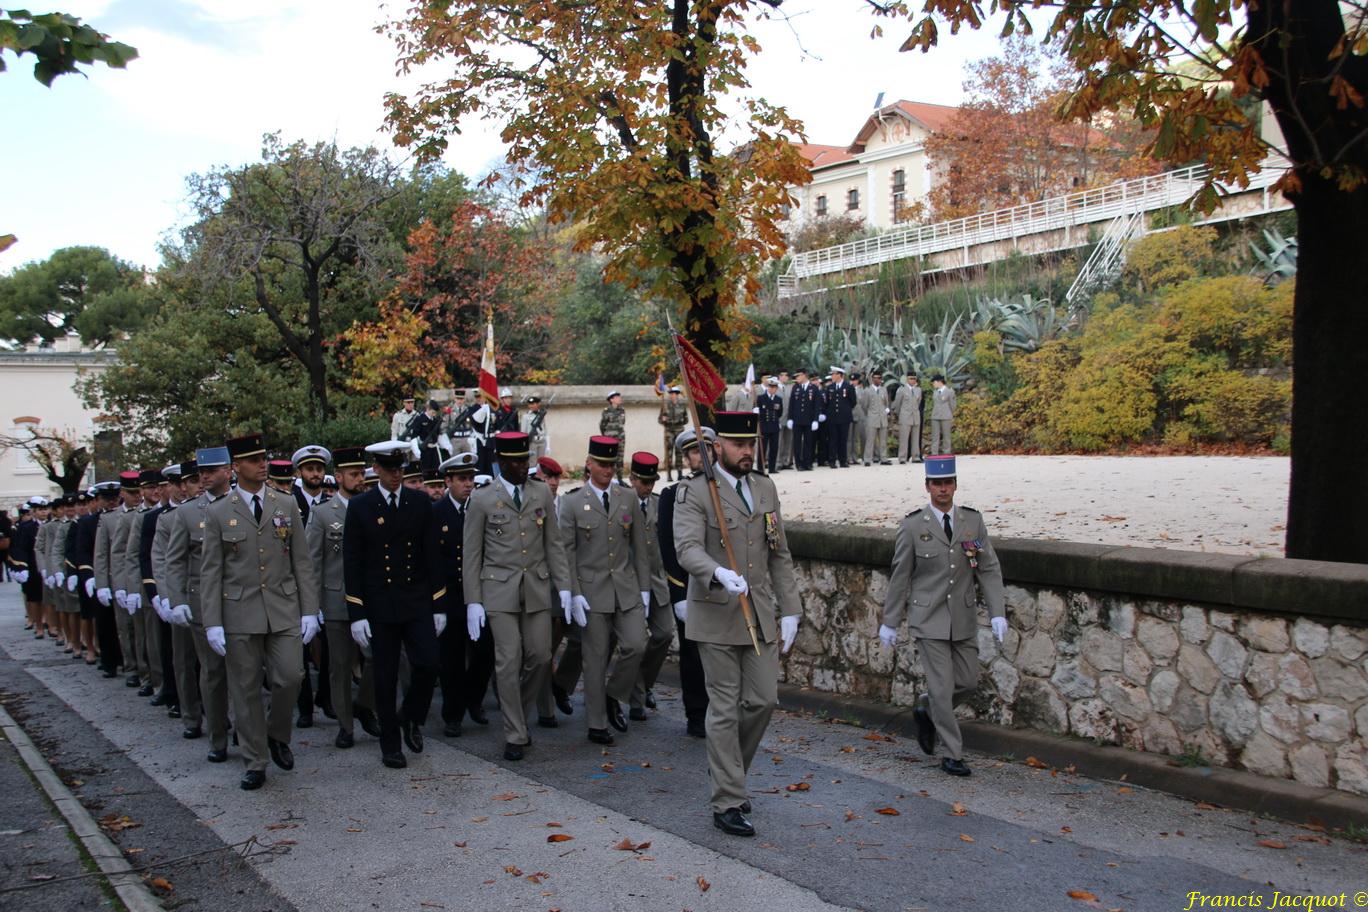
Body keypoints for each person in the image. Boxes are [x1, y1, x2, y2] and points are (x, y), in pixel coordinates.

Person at [673, 411, 802, 837]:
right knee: (724, 707)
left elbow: (778, 553)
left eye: (751, 444)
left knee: (763, 701)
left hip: (759, 613)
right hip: (715, 611)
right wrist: (716, 573)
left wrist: (790, 609)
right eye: (737, 445)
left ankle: (731, 777)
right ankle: (728, 797)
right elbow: (687, 548)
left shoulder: (764, 486)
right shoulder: (695, 492)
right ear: (718, 448)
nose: (747, 452)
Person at [200, 433, 320, 790]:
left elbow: (302, 561)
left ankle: (277, 733)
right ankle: (255, 760)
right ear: (237, 468)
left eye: (264, 457)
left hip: (283, 607)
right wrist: (212, 622)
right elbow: (211, 571)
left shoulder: (285, 505)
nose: (263, 464)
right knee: (245, 688)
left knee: (290, 677)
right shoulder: (219, 511)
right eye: (254, 460)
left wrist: (309, 610)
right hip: (239, 612)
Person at [879, 455, 1006, 777]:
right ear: (927, 487)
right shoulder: (912, 526)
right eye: (937, 483)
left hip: (962, 617)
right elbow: (900, 576)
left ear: (955, 485)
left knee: (968, 681)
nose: (943, 489)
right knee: (942, 686)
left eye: (948, 483)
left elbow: (988, 569)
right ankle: (953, 753)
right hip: (929, 618)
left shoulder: (972, 522)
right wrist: (890, 621)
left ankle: (926, 707)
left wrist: (997, 613)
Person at [463, 431, 573, 761]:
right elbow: (472, 554)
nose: (522, 466)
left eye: (525, 460)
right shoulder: (483, 498)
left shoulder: (540, 492)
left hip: (537, 587)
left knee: (540, 656)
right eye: (515, 461)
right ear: (501, 462)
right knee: (508, 660)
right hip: (498, 590)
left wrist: (564, 586)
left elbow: (553, 543)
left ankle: (519, 714)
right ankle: (515, 732)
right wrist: (473, 601)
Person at [344, 440, 446, 770]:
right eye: (389, 470)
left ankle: (411, 716)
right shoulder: (361, 506)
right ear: (376, 470)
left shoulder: (418, 502)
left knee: (429, 664)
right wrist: (356, 612)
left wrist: (439, 603)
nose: (395, 476)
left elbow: (432, 554)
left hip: (416, 599)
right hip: (380, 604)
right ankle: (391, 743)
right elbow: (353, 562)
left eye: (400, 470)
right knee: (385, 678)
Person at [559, 436, 651, 744]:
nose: (607, 470)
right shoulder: (572, 502)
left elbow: (640, 547)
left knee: (637, 644)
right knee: (595, 658)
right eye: (601, 464)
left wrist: (645, 589)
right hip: (591, 590)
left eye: (612, 464)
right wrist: (572, 592)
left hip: (625, 588)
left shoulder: (627, 498)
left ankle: (615, 694)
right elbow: (566, 552)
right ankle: (596, 724)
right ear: (589, 463)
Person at [304, 446, 379, 750]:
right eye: (354, 474)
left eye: (362, 473)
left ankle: (364, 704)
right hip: (335, 600)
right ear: (339, 477)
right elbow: (312, 562)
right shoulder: (322, 513)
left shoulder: (372, 508)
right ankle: (346, 726)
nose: (360, 479)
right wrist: (314, 606)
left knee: (376, 658)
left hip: (370, 599)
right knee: (339, 665)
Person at [164, 448, 234, 759]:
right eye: (201, 472)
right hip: (203, 604)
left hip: (243, 601)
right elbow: (175, 561)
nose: (203, 476)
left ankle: (248, 735)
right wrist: (176, 600)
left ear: (228, 471)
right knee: (213, 672)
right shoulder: (188, 513)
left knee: (246, 674)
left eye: (211, 470)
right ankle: (218, 737)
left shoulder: (246, 505)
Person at [431, 451, 494, 737]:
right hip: (450, 596)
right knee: (451, 660)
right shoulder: (436, 513)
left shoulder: (481, 508)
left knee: (484, 654)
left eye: (470, 478)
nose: (468, 484)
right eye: (461, 479)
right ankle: (452, 714)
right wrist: (436, 603)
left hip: (479, 595)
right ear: (448, 481)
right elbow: (430, 561)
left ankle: (474, 700)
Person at [658, 427, 713, 738]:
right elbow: (668, 545)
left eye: (706, 449)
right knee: (693, 655)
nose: (701, 456)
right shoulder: (673, 495)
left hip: (722, 585)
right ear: (687, 457)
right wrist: (678, 592)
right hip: (690, 587)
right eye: (694, 451)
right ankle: (697, 714)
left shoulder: (728, 493)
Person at [627, 453, 671, 721]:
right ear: (632, 479)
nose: (647, 486)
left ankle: (644, 684)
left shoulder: (658, 505)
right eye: (643, 481)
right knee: (634, 643)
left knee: (663, 634)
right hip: (630, 581)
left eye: (651, 481)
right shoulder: (621, 503)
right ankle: (633, 697)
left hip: (657, 581)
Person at [787, 369, 819, 472]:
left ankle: (808, 463)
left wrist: (815, 420)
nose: (797, 378)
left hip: (809, 420)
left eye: (798, 376)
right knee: (797, 442)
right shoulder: (795, 388)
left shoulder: (813, 388)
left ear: (804, 375)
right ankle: (799, 464)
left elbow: (816, 406)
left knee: (808, 442)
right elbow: (791, 404)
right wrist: (790, 418)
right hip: (797, 420)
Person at [825, 366, 857, 468]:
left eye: (834, 374)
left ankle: (843, 461)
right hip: (832, 418)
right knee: (833, 439)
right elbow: (827, 403)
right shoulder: (830, 388)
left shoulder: (848, 387)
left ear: (840, 375)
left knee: (843, 439)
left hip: (844, 418)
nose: (832, 376)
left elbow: (853, 402)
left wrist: (845, 410)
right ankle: (832, 461)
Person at [291, 445, 331, 522]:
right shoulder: (290, 502)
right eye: (310, 469)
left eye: (319, 469)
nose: (316, 474)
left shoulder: (332, 502)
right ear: (299, 473)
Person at [891, 373, 924, 464]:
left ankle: (915, 456)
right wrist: (899, 414)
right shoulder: (901, 390)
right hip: (905, 416)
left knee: (916, 438)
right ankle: (902, 457)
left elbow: (918, 402)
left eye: (914, 379)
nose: (912, 381)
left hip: (915, 416)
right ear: (907, 380)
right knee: (904, 438)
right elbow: (897, 404)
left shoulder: (918, 390)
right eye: (910, 379)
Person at [658, 387, 688, 481]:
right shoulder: (665, 405)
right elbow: (659, 419)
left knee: (679, 453)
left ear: (678, 394)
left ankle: (680, 474)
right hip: (669, 431)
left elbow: (686, 419)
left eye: (675, 393)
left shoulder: (682, 405)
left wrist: (680, 422)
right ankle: (669, 475)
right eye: (671, 393)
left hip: (679, 431)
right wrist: (663, 420)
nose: (673, 395)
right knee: (669, 454)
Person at [756, 378, 784, 472]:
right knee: (762, 449)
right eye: (771, 387)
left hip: (774, 426)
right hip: (764, 426)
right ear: (768, 387)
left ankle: (772, 468)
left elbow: (779, 413)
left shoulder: (778, 399)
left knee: (774, 448)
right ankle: (760, 468)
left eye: (775, 387)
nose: (773, 389)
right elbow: (757, 410)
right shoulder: (761, 398)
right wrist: (756, 411)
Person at [864, 371, 891, 466]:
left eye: (879, 378)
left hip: (882, 418)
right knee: (870, 440)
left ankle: (883, 458)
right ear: (872, 379)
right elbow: (865, 406)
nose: (877, 379)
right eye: (875, 378)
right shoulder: (867, 390)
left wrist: (886, 410)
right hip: (872, 418)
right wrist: (870, 414)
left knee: (883, 440)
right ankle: (867, 459)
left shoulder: (884, 390)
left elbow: (886, 403)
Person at [599, 391, 627, 477]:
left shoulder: (622, 410)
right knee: (610, 459)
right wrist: (606, 436)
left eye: (619, 397)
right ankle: (611, 477)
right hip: (610, 439)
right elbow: (602, 425)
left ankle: (620, 478)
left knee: (620, 459)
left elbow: (623, 423)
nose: (619, 398)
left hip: (620, 438)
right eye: (617, 397)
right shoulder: (606, 411)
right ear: (611, 399)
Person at [929, 375, 956, 454]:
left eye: (934, 382)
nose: (933, 384)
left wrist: (950, 413)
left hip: (946, 415)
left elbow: (953, 404)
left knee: (946, 436)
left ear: (939, 382)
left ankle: (946, 452)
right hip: (935, 415)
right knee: (935, 436)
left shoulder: (949, 391)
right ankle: (934, 453)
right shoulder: (935, 391)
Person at [520, 396, 550, 462]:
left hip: (542, 441)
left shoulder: (542, 414)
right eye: (530, 404)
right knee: (532, 462)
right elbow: (523, 432)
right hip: (532, 442)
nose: (532, 406)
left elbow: (546, 430)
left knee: (541, 462)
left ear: (538, 404)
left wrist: (548, 445)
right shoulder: (526, 416)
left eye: (533, 404)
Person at [775, 371, 793, 470]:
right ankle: (778, 461)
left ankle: (786, 461)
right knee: (779, 441)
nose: (786, 377)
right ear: (779, 376)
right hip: (779, 418)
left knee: (788, 441)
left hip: (788, 418)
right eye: (784, 375)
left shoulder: (789, 388)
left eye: (787, 375)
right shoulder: (775, 388)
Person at [849, 372, 866, 466]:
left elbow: (864, 404)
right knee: (848, 438)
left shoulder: (862, 391)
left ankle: (855, 457)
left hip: (858, 416)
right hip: (849, 416)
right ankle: (848, 457)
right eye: (851, 380)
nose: (853, 382)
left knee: (855, 438)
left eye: (855, 380)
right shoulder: (847, 389)